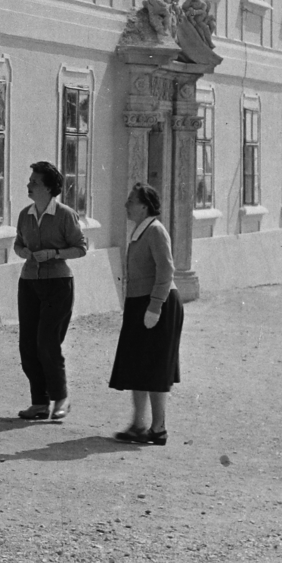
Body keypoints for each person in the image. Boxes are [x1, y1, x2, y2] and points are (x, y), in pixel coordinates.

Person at [109, 183, 185, 446]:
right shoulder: (139, 232)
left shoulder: (155, 231)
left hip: (158, 305)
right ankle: (139, 424)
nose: (126, 205)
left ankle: (158, 427)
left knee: (154, 366)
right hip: (139, 303)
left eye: (131, 200)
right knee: (137, 366)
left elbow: (166, 271)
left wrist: (154, 307)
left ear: (144, 205)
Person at [14, 161, 88, 421]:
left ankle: (61, 399)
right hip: (29, 283)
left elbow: (80, 247)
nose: (29, 185)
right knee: (28, 346)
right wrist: (23, 252)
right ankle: (39, 402)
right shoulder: (25, 214)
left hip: (58, 284)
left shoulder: (65, 215)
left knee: (47, 343)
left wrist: (54, 253)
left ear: (47, 188)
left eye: (34, 182)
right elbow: (18, 244)